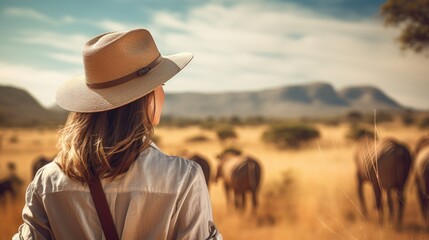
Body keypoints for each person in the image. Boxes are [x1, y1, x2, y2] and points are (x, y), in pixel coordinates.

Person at [13, 29, 222, 240]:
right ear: (145, 96)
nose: (163, 93)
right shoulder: (183, 179)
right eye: (161, 84)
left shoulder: (47, 182)